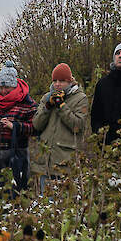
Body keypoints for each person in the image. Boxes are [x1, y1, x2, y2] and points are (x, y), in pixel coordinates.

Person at [0, 61, 36, 216]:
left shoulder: (27, 103)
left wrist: (14, 126)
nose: (3, 90)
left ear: (14, 85)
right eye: (1, 87)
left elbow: (35, 128)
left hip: (17, 153)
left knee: (16, 191)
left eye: (7, 87)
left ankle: (15, 223)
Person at [31, 63, 89, 191]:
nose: (57, 84)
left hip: (65, 163)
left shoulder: (80, 98)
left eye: (62, 81)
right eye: (55, 80)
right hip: (45, 161)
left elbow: (78, 126)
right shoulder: (47, 97)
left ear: (70, 81)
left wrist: (61, 106)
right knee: (45, 205)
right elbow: (36, 125)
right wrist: (47, 107)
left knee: (63, 207)